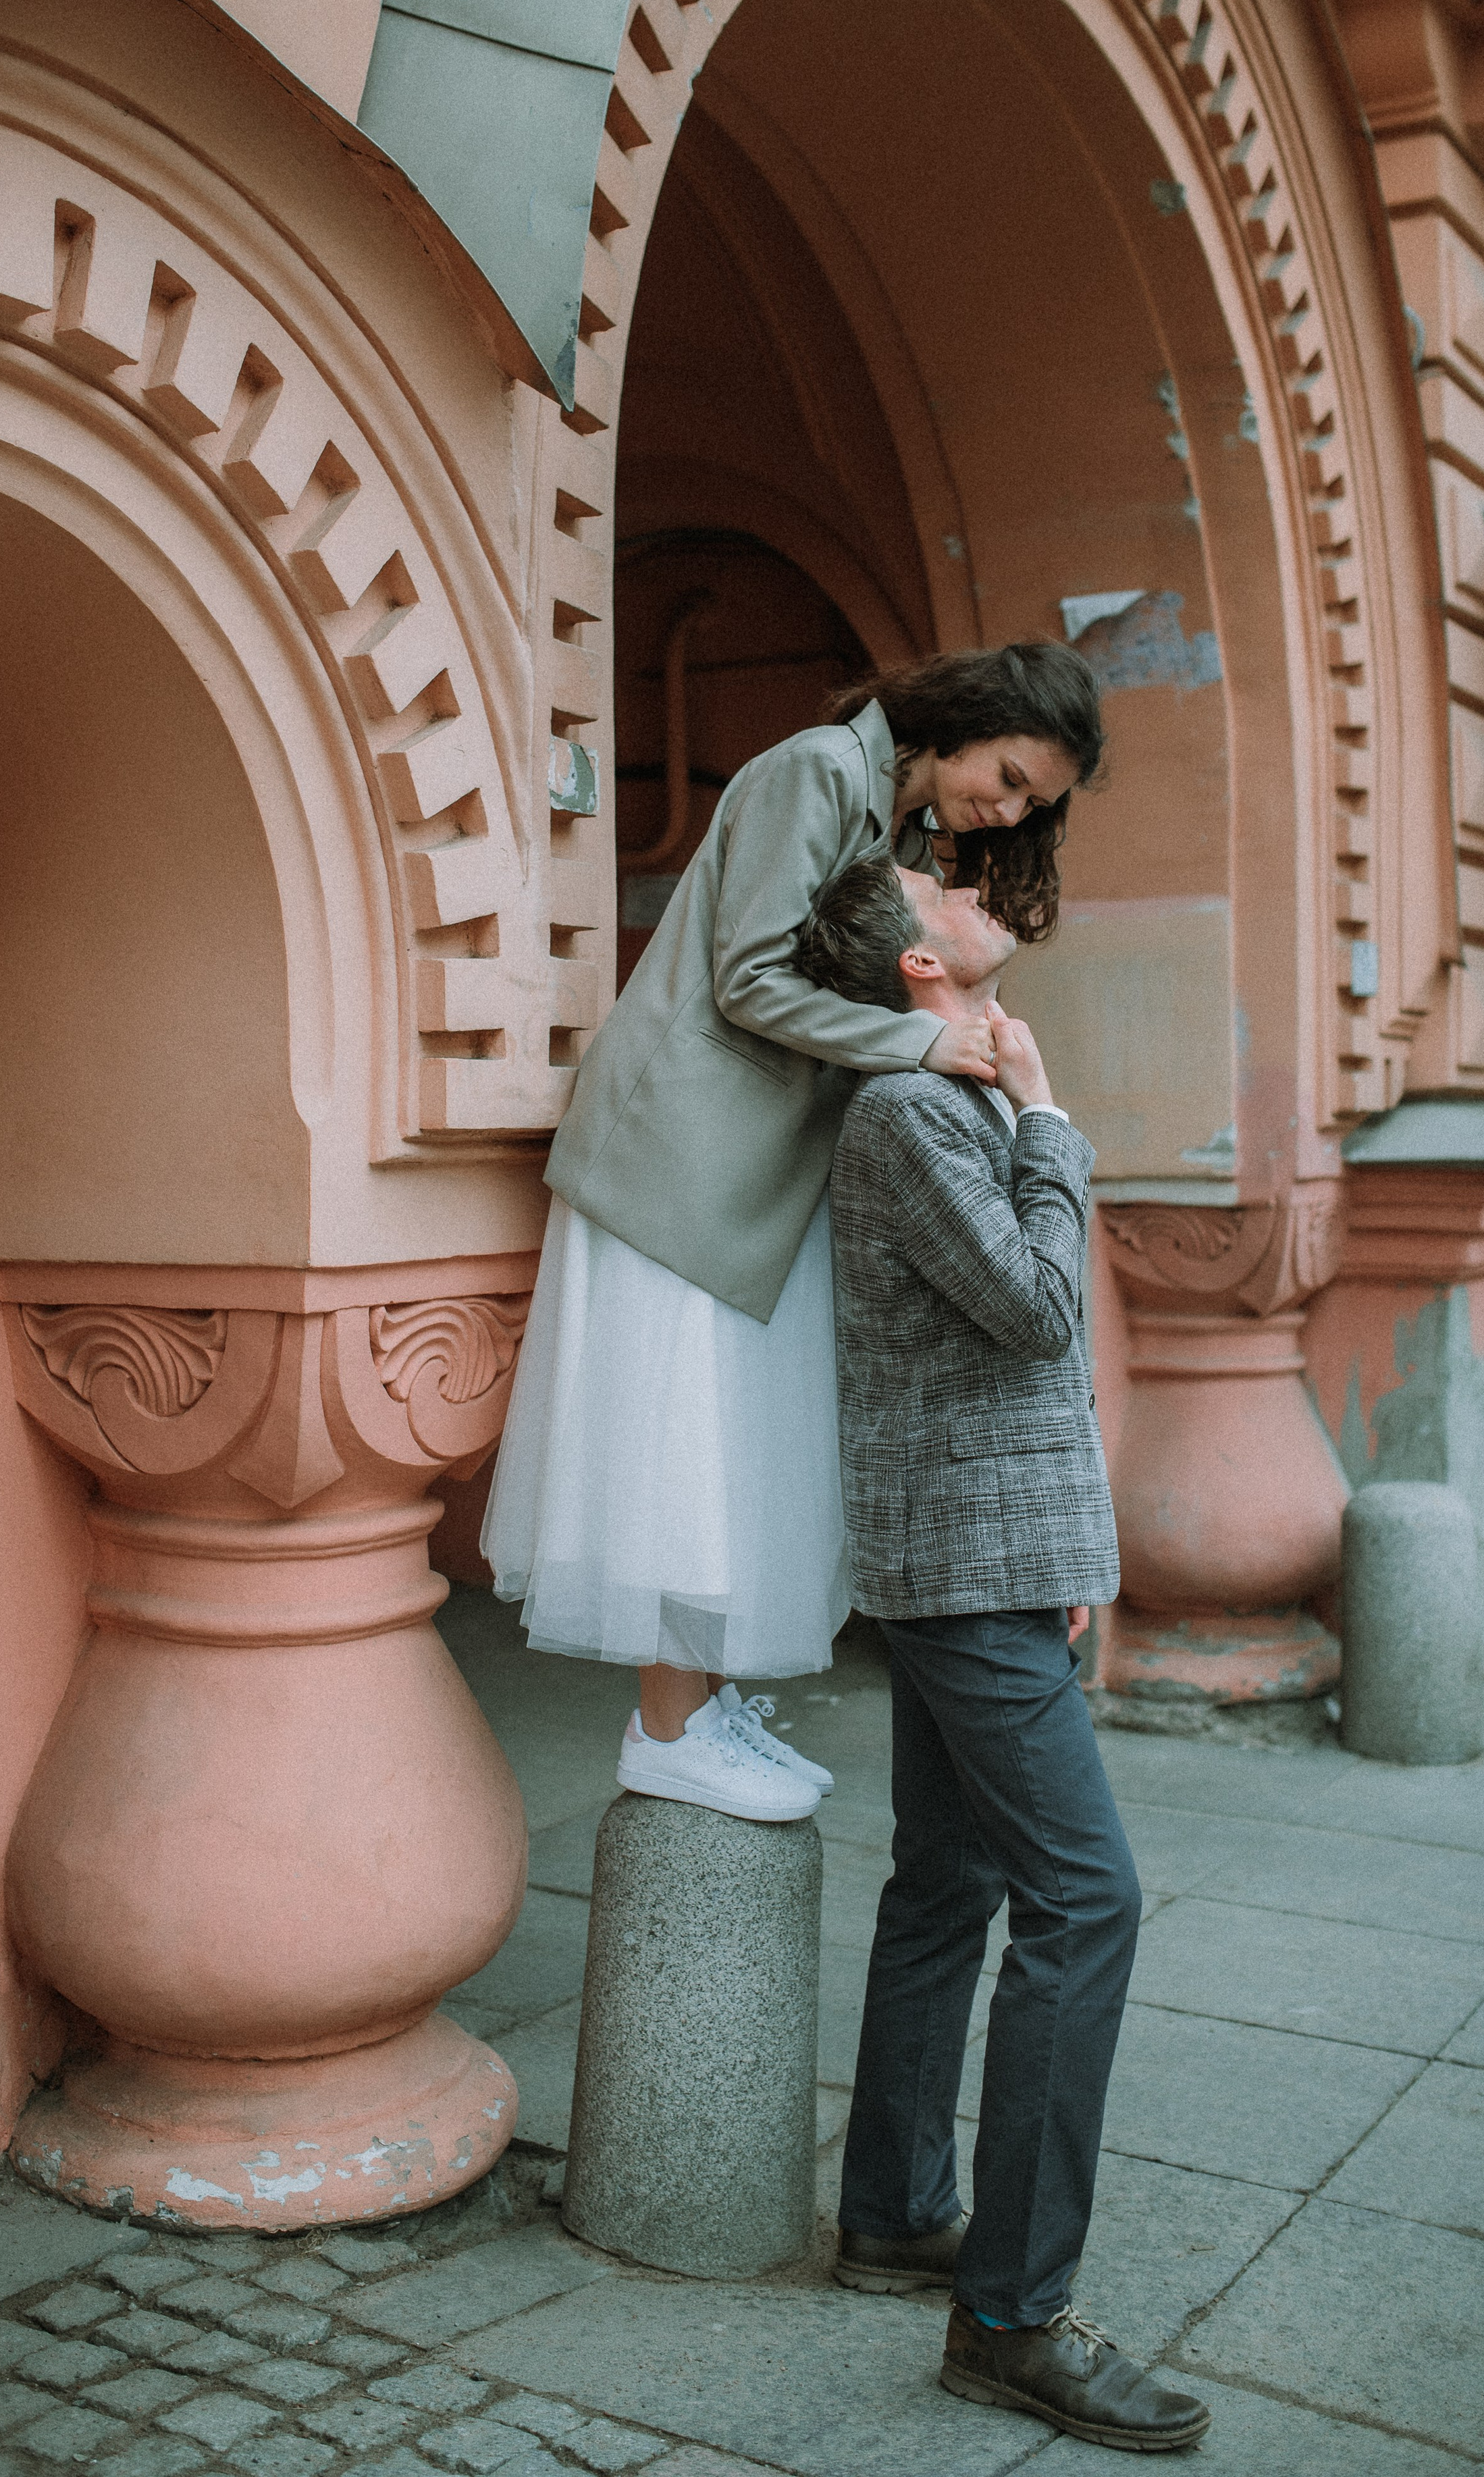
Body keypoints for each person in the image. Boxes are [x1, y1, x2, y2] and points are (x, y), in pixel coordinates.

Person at [481, 644, 1104, 1822]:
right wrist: (929, 1044)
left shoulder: (903, 832)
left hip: (750, 1171)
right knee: (677, 1445)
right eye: (1012, 777)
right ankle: (669, 1727)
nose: (1011, 810)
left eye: (1034, 804)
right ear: (967, 723)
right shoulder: (817, 771)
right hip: (682, 1154)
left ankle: (699, 1711)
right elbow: (750, 980)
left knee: (713, 1445)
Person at [795, 851, 1211, 2454]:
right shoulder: (911, 1116)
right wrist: (1046, 1118)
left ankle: (897, 2213)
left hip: (988, 1557)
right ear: (912, 962)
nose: (972, 888)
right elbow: (1039, 1311)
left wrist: (1069, 1557)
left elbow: (1012, 1358)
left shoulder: (937, 1104)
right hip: (957, 1567)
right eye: (939, 884)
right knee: (1084, 1897)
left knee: (948, 1881)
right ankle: (1008, 2315)